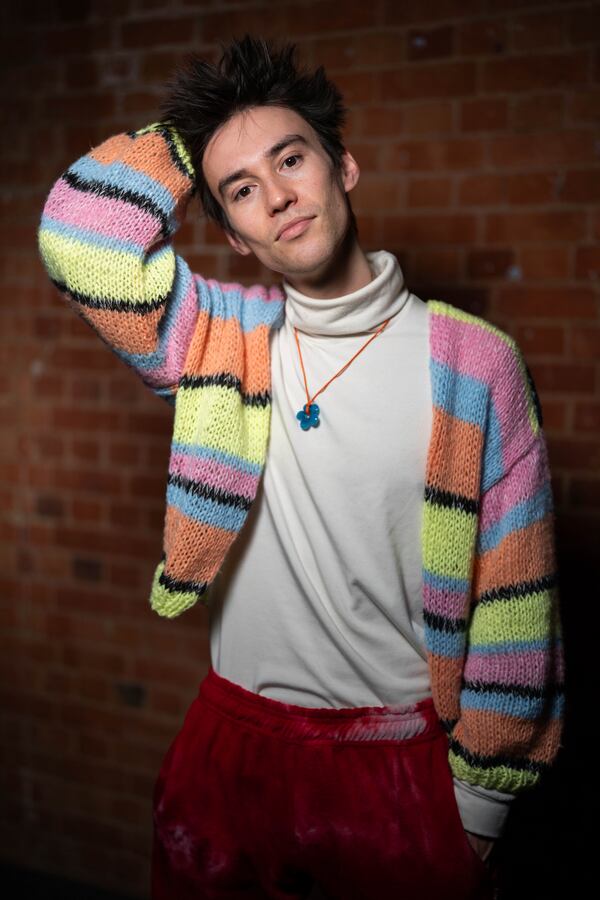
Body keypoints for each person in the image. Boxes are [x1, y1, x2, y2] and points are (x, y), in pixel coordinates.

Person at [37, 34, 564, 900]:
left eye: (291, 159)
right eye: (241, 190)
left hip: (401, 769)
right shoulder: (217, 336)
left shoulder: (476, 366)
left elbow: (519, 603)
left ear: (342, 167)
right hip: (230, 753)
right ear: (235, 236)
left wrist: (479, 811)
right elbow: (81, 233)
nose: (277, 196)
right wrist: (191, 133)